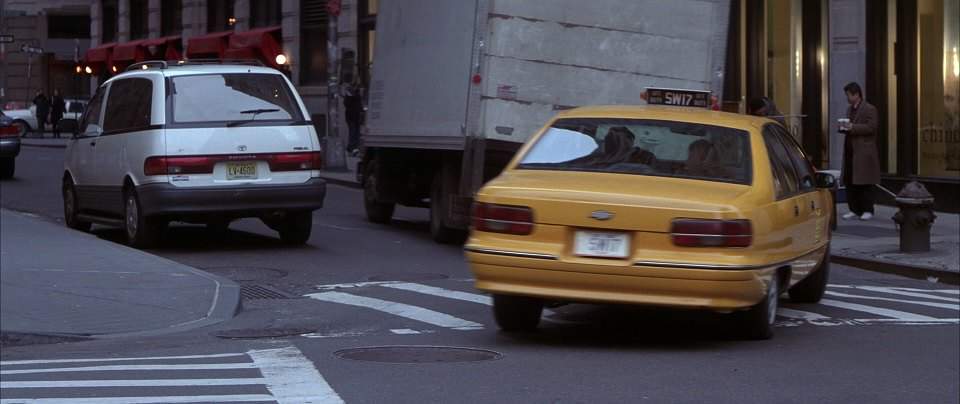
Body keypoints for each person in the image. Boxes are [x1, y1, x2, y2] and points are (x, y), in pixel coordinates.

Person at [839, 82, 881, 221]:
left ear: (856, 94)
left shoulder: (870, 109)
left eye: (848, 95)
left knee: (865, 182)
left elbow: (871, 127)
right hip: (850, 151)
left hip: (863, 152)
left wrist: (853, 127)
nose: (847, 98)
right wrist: (843, 127)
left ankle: (867, 209)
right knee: (850, 181)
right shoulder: (849, 109)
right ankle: (854, 209)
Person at [343, 81, 364, 156]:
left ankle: (354, 147)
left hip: (356, 116)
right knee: (353, 131)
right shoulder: (350, 94)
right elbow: (346, 104)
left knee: (356, 132)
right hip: (351, 116)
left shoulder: (357, 94)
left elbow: (359, 104)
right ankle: (351, 147)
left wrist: (361, 110)